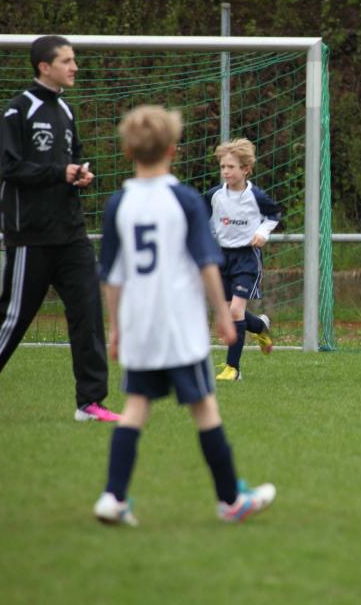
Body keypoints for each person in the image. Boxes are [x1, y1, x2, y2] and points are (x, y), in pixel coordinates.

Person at [93, 105, 276, 526]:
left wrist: (115, 328)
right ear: (172, 150)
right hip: (178, 325)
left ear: (127, 152)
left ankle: (113, 496)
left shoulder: (118, 203)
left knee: (135, 407)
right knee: (205, 409)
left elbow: (112, 276)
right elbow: (207, 263)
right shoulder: (186, 199)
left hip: (139, 325)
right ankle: (231, 500)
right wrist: (223, 316)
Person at [0, 35, 118, 423]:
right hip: (31, 234)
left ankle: (90, 403)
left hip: (71, 232)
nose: (74, 67)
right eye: (67, 61)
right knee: (14, 318)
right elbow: (10, 168)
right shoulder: (19, 109)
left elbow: (73, 158)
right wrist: (58, 172)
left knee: (88, 313)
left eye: (74, 60)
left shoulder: (66, 109)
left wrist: (79, 173)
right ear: (44, 66)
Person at [204, 138, 281, 381]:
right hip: (222, 257)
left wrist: (262, 233)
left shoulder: (255, 196)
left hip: (246, 258)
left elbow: (274, 214)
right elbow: (200, 217)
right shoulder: (215, 196)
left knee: (236, 311)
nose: (226, 172)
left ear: (245, 169)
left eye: (231, 167)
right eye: (223, 167)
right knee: (230, 312)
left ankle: (233, 369)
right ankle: (259, 327)